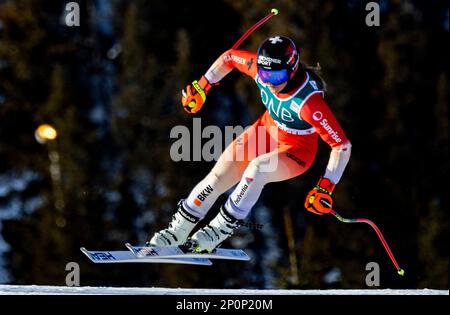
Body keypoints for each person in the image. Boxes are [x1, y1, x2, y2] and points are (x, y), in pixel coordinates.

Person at [148, 35, 352, 252]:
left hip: (297, 152)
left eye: (277, 76)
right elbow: (229, 58)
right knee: (218, 176)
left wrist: (326, 186)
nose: (270, 82)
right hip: (265, 132)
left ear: (292, 69)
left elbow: (342, 146)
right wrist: (202, 86)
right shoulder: (260, 69)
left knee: (258, 169)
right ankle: (176, 232)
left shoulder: (309, 103)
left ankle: (215, 232)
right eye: (265, 75)